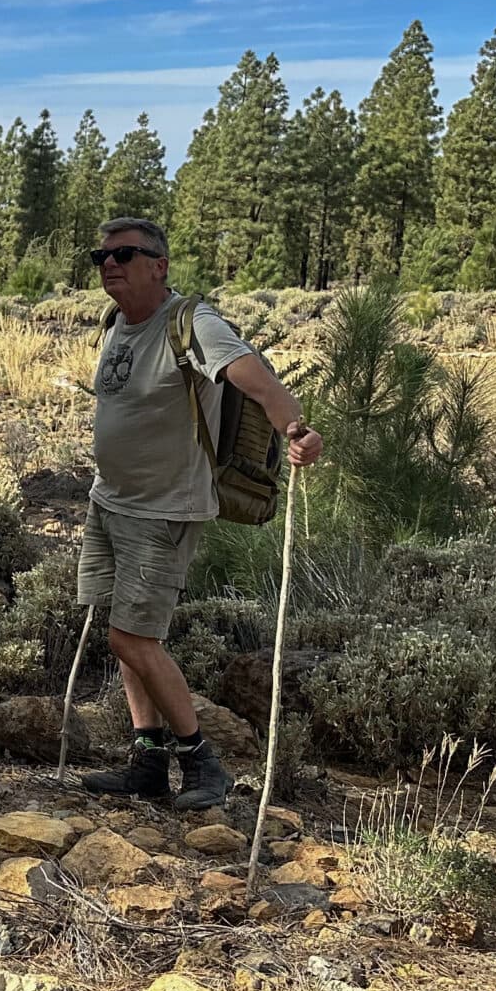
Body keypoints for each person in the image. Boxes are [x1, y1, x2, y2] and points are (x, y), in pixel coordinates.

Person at [75, 218, 323, 809]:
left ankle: (202, 762)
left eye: (124, 255)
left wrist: (298, 429)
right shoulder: (118, 324)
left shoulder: (194, 324)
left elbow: (258, 380)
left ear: (158, 265)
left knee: (133, 637)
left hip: (162, 512)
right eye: (101, 256)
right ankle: (148, 762)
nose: (109, 264)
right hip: (109, 502)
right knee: (127, 637)